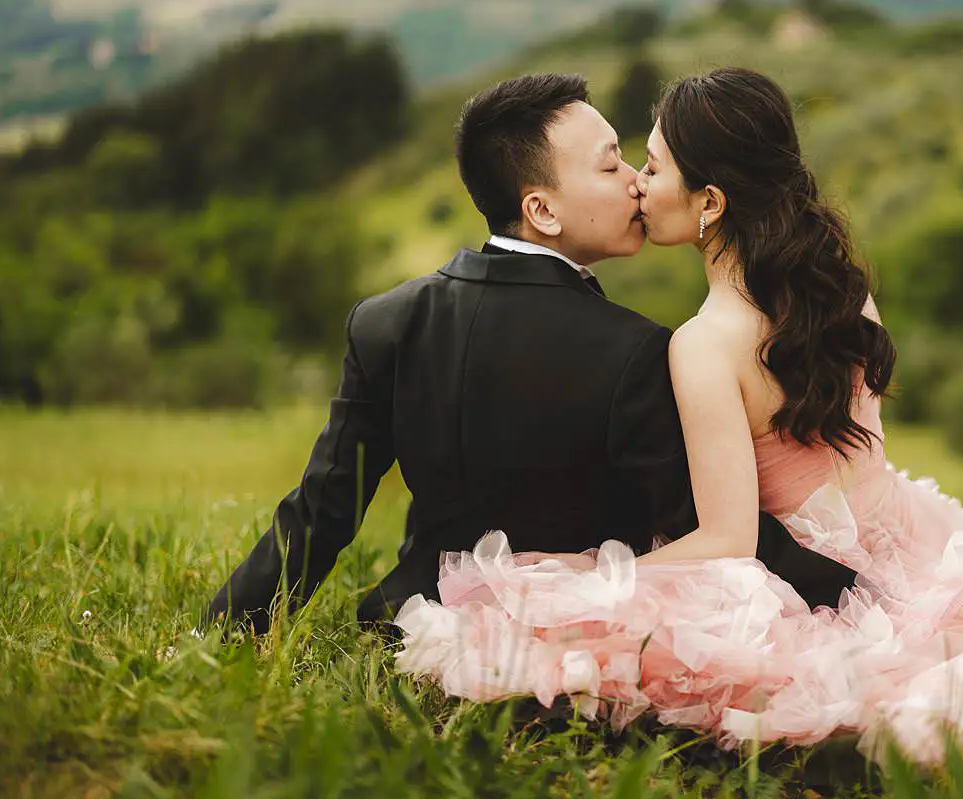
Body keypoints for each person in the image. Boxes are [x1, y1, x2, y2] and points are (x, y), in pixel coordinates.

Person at [393, 67, 963, 763]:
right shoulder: (843, 294)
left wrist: (593, 577)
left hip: (825, 590)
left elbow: (731, 543)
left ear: (710, 203)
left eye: (653, 166)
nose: (636, 185)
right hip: (913, 546)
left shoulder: (705, 346)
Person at [202, 73, 855, 637]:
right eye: (610, 166)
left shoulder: (385, 322)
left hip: (416, 619)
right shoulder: (635, 351)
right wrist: (852, 594)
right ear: (541, 209)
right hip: (563, 633)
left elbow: (323, 511)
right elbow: (708, 528)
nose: (636, 184)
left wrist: (222, 633)